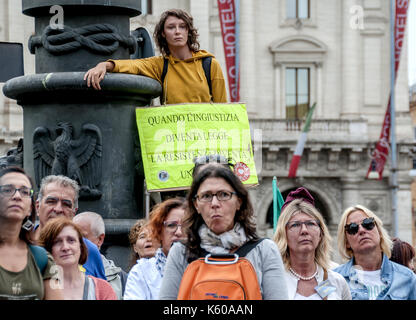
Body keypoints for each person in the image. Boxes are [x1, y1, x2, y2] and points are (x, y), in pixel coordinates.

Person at [159, 166, 288, 300]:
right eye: (206, 196)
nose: (215, 203)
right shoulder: (180, 252)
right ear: (196, 204)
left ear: (239, 201)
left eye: (224, 194)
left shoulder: (264, 251)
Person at [84, 9, 227, 104]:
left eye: (182, 26)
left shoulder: (209, 64)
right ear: (163, 33)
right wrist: (104, 65)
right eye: (171, 27)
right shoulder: (160, 65)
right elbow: (133, 65)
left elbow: (224, 110)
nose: (177, 31)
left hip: (208, 143)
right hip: (176, 142)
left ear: (188, 31)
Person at [273, 187, 351, 300]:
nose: (304, 230)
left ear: (321, 234)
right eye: (295, 225)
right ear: (283, 235)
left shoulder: (337, 281)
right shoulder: (273, 281)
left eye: (310, 224)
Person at [0, 166, 62, 300]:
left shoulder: (43, 259)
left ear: (30, 208)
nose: (17, 196)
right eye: (7, 190)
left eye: (24, 192)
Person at [334, 204, 416, 300]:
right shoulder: (333, 279)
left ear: (380, 232)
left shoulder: (408, 278)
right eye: (353, 228)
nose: (361, 230)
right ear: (346, 242)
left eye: (368, 224)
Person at [34, 175, 106, 280]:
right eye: (51, 201)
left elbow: (100, 293)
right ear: (37, 207)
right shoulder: (19, 244)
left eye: (66, 204)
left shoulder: (89, 250)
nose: (58, 209)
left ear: (74, 212)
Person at [38, 217, 117, 300]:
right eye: (57, 242)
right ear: (48, 249)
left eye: (71, 240)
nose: (65, 247)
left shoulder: (102, 289)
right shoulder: (38, 290)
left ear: (81, 246)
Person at [123, 198, 186, 300]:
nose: (178, 232)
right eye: (171, 225)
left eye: (185, 225)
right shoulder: (141, 272)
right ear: (159, 232)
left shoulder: (206, 265)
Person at [73, 211, 128, 300]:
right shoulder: (59, 271)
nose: (75, 242)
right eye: (71, 237)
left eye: (82, 237)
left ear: (100, 239)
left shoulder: (121, 279)